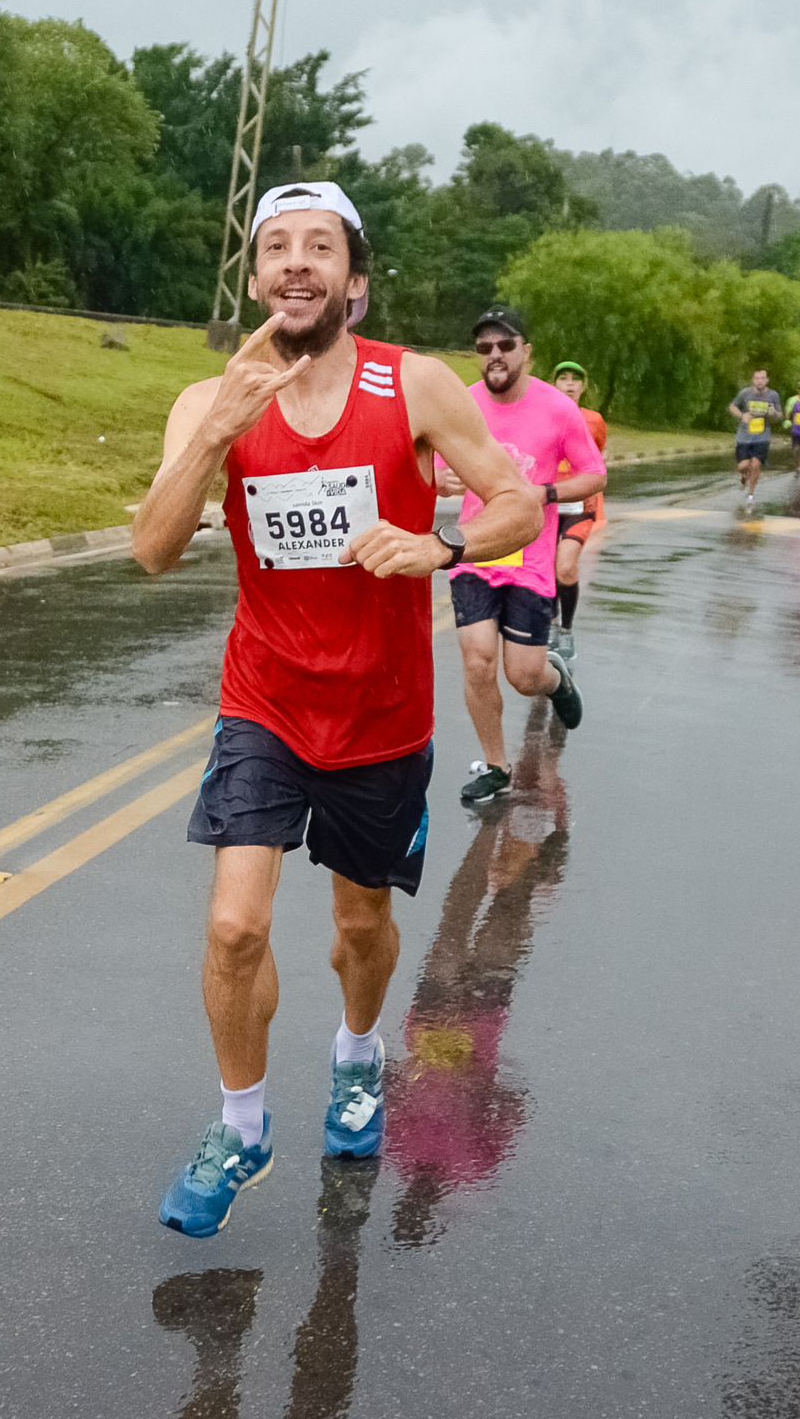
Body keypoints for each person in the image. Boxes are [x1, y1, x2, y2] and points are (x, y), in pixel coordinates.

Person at [133, 182, 542, 1238]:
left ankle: (359, 1055)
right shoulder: (206, 399)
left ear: (352, 283)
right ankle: (241, 1122)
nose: (296, 263)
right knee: (232, 927)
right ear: (255, 276)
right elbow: (151, 546)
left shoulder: (411, 384)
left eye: (320, 247)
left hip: (381, 715)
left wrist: (439, 548)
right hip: (263, 699)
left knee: (361, 926)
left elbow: (513, 499)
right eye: (276, 248)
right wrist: (213, 432)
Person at [435, 307, 605, 808]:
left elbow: (593, 474)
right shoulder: (460, 405)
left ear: (525, 351)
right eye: (484, 347)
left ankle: (555, 677)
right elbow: (429, 460)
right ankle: (496, 766)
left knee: (523, 676)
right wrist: (437, 478)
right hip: (474, 548)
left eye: (504, 346)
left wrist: (543, 493)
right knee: (478, 660)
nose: (494, 356)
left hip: (530, 556)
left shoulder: (557, 409)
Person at [549, 360, 608, 662]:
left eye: (575, 379)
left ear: (583, 387)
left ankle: (566, 631)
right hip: (546, 505)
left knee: (566, 566)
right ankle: (551, 625)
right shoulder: (541, 416)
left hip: (579, 506)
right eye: (563, 378)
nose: (569, 384)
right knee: (546, 569)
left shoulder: (593, 420)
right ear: (554, 384)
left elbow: (598, 459)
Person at [728, 370, 781, 506]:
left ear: (767, 380)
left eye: (762, 378)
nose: (760, 381)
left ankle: (751, 494)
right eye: (757, 378)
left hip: (762, 437)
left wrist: (773, 413)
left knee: (756, 465)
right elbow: (732, 406)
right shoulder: (745, 393)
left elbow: (779, 415)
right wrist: (742, 416)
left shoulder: (773, 395)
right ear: (753, 380)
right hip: (744, 436)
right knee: (743, 465)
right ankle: (744, 476)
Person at [784, 382, 800, 472]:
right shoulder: (793, 400)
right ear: (797, 389)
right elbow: (788, 411)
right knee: (796, 448)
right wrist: (787, 420)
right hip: (796, 428)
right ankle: (797, 465)